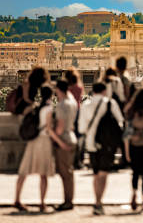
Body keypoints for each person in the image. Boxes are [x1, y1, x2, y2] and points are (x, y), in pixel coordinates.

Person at [78, 82, 124, 216]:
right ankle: (99, 202)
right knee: (103, 174)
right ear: (105, 91)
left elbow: (81, 128)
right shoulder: (111, 103)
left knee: (96, 173)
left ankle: (97, 201)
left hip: (91, 144)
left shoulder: (86, 105)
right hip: (108, 144)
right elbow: (120, 121)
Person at [14, 86, 58, 213]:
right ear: (51, 95)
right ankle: (42, 203)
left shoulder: (35, 107)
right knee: (43, 174)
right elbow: (49, 128)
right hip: (44, 141)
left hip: (33, 140)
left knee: (24, 171)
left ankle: (17, 199)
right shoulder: (49, 108)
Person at [52, 79, 78, 211]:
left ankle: (68, 202)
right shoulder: (72, 102)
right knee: (69, 173)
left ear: (58, 90)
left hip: (64, 140)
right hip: (72, 137)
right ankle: (69, 200)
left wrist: (54, 137)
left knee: (65, 174)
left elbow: (60, 129)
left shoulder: (62, 105)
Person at [64, 68, 84, 169]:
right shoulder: (79, 87)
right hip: (78, 112)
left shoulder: (66, 88)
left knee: (68, 137)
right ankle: (78, 160)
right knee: (78, 137)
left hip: (68, 113)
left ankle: (69, 160)